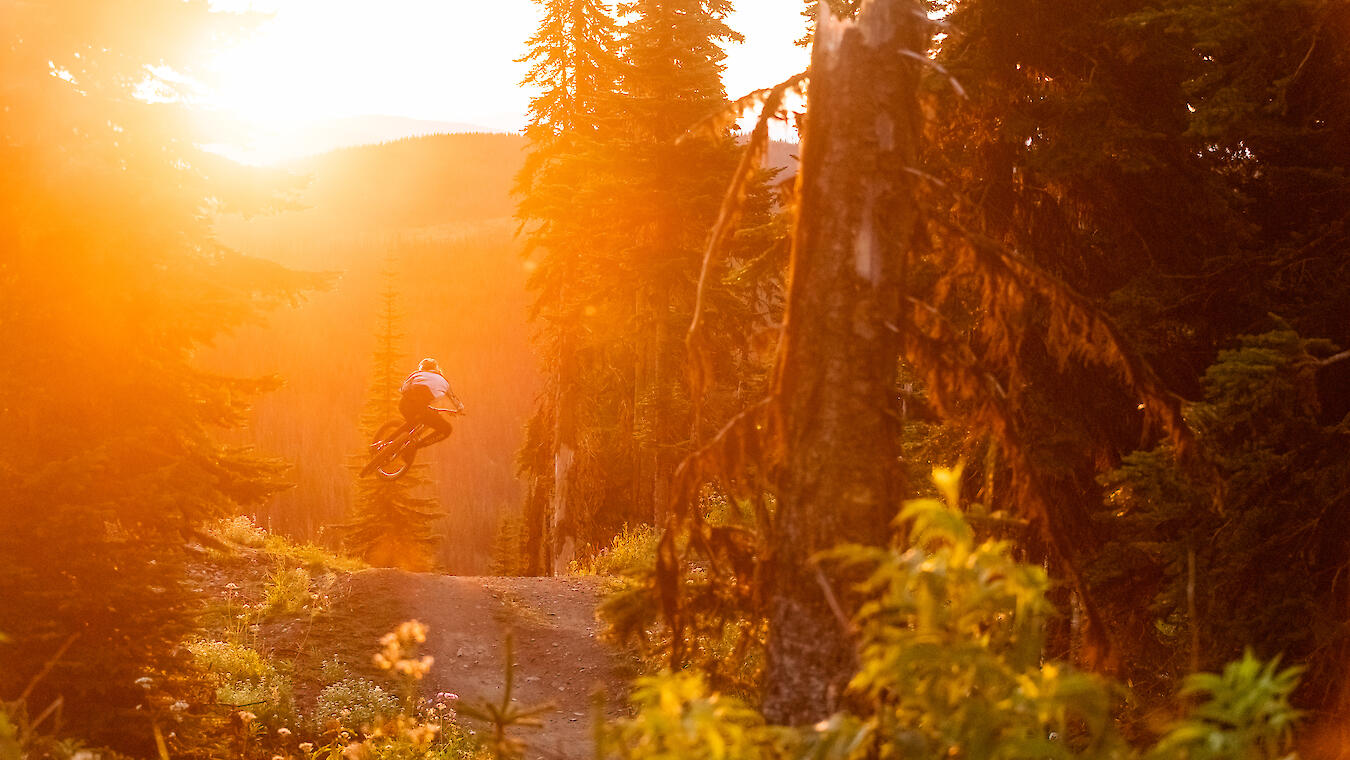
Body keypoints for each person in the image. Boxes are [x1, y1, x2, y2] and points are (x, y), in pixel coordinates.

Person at [399, 358, 465, 448]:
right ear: (436, 369)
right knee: (446, 429)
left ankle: (386, 443)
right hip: (422, 407)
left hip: (404, 404)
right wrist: (460, 409)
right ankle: (417, 446)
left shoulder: (416, 374)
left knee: (413, 421)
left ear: (421, 368)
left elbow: (403, 389)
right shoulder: (444, 380)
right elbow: (453, 398)